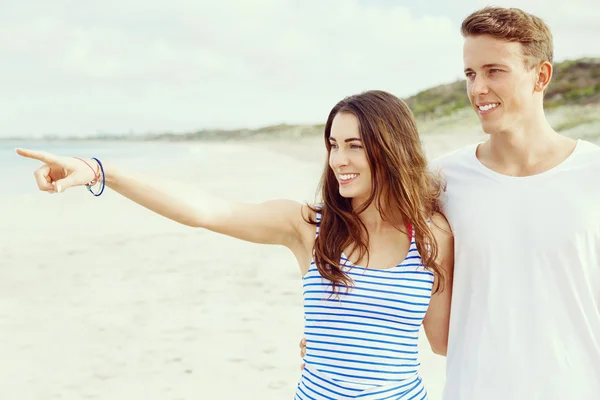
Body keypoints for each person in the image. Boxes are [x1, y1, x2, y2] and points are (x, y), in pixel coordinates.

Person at [16, 90, 454, 399]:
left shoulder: (433, 237)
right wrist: (98, 171)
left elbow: (443, 341)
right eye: (334, 145)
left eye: (355, 146)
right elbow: (208, 211)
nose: (338, 159)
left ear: (391, 149)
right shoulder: (308, 226)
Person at [299, 6, 600, 399]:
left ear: (540, 76)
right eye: (470, 74)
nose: (477, 89)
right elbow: (365, 242)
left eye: (495, 71)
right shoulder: (441, 182)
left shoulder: (592, 174)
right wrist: (330, 345)